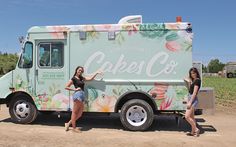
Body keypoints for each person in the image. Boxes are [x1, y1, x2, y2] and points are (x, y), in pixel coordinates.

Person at [64, 66, 102, 132]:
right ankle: (74, 128)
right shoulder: (73, 78)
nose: (80, 71)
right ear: (76, 70)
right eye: (79, 70)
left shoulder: (81, 78)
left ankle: (68, 124)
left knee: (80, 114)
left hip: (82, 95)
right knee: (75, 112)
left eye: (81, 71)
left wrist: (96, 73)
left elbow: (90, 79)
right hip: (77, 95)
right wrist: (75, 89)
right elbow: (66, 87)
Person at [184, 67, 201, 137]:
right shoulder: (193, 80)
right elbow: (190, 90)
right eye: (191, 73)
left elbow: (194, 93)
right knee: (192, 117)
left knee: (187, 116)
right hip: (190, 97)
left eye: (194, 73)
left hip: (193, 99)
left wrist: (190, 102)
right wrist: (189, 81)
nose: (192, 74)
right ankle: (192, 132)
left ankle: (196, 129)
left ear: (196, 73)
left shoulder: (197, 80)